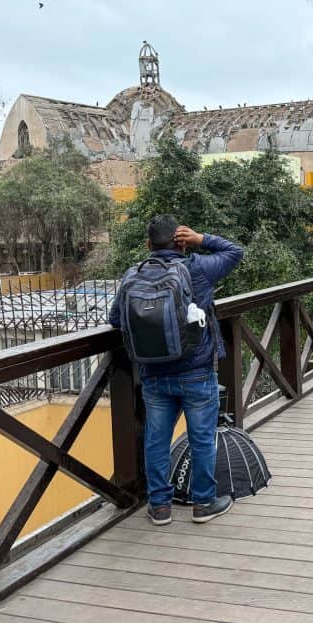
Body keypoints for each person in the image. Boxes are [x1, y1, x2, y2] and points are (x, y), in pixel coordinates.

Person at [109, 214, 244, 527]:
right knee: (202, 440)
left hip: (154, 375)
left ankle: (159, 507)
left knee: (156, 442)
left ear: (148, 244)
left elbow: (116, 320)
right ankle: (204, 503)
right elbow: (235, 252)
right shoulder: (197, 267)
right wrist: (202, 239)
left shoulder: (134, 274)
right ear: (181, 242)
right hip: (197, 371)